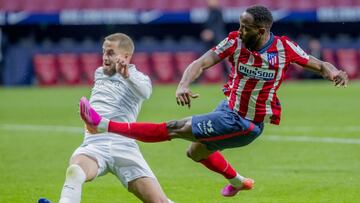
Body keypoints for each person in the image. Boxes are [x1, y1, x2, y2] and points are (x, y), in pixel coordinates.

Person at [79, 5, 349, 198]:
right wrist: (184, 83)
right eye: (239, 25)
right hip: (228, 109)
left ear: (262, 29)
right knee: (195, 152)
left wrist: (334, 71)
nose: (239, 30)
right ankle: (238, 181)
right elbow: (202, 62)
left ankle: (102, 124)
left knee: (174, 127)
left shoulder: (284, 48)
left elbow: (318, 64)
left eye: (246, 27)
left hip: (246, 122)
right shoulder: (234, 42)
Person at [58, 33, 172, 203]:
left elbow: (146, 93)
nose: (105, 57)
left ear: (125, 56)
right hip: (95, 143)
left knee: (159, 201)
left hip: (124, 145)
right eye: (103, 52)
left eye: (110, 53)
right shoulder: (99, 73)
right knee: (75, 171)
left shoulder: (139, 78)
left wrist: (127, 76)